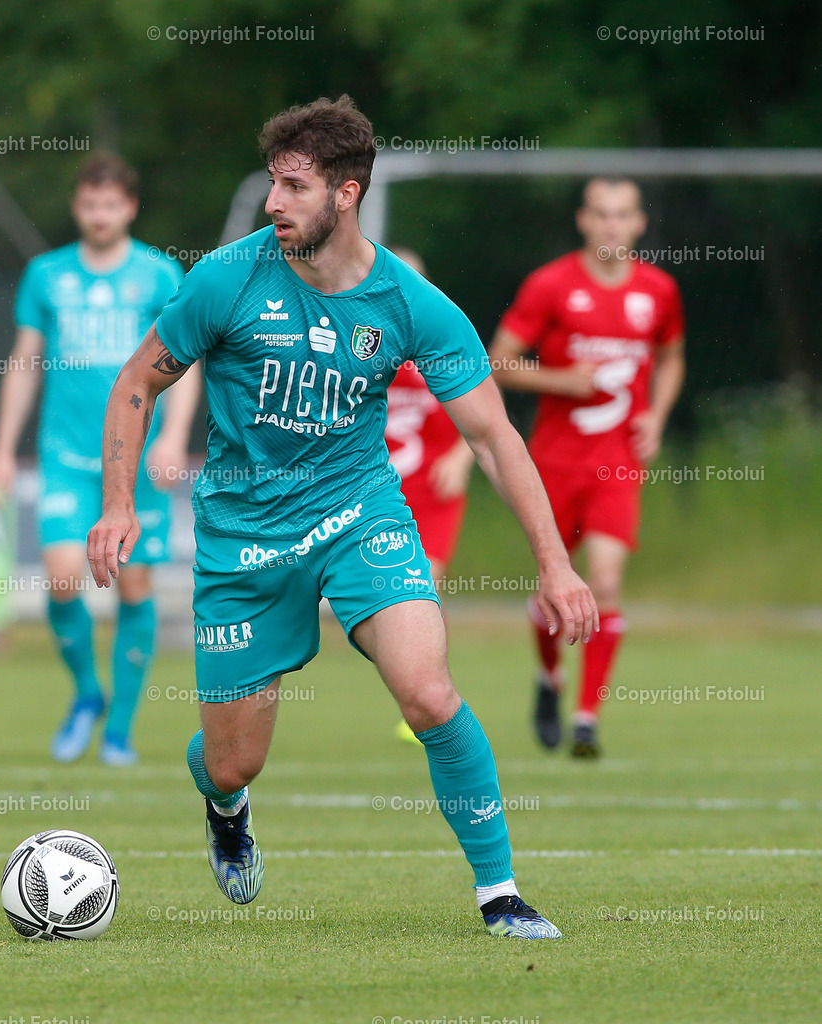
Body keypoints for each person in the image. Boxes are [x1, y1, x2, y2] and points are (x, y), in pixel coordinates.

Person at [87, 96, 597, 939]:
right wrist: (118, 505)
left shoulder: (411, 304)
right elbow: (138, 382)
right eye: (273, 185)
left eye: (293, 186)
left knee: (428, 694)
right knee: (232, 758)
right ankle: (226, 802)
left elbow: (496, 439)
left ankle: (499, 892)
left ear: (347, 194)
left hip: (359, 517)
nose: (274, 204)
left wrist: (555, 563)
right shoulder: (225, 278)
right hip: (242, 542)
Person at [0, 152, 200, 766]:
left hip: (133, 464)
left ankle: (120, 731)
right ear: (77, 206)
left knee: (134, 587)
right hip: (64, 456)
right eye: (89, 204)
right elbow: (25, 363)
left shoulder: (159, 275)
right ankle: (87, 695)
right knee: (60, 577)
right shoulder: (46, 275)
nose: (100, 215)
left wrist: (172, 435)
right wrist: (2, 451)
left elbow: (184, 361)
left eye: (111, 204)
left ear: (129, 207)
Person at [489, 178, 685, 758]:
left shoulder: (659, 289)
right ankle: (549, 678)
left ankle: (586, 718)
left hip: (618, 462)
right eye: (601, 214)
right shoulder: (551, 285)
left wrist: (657, 416)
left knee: (604, 581)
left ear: (639, 224)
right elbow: (495, 362)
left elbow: (672, 356)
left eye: (622, 215)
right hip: (553, 459)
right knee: (554, 588)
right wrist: (560, 381)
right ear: (583, 220)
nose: (611, 226)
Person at [383, 247, 475, 746]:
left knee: (425, 587)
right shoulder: (360, 341)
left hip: (432, 491)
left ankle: (427, 698)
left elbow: (480, 408)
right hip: (374, 489)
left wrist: (461, 457)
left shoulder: (441, 343)